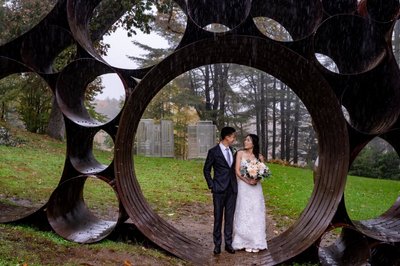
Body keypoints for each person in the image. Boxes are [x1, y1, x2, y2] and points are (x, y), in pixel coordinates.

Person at [203, 126, 237, 255]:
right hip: (218, 190)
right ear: (227, 137)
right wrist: (212, 185)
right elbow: (206, 169)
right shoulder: (213, 151)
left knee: (229, 218)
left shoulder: (233, 151)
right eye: (233, 136)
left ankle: (228, 244)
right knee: (218, 218)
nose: (234, 139)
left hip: (232, 190)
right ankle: (217, 245)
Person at [232, 134, 268, 253]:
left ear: (253, 143)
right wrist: (247, 180)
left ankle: (255, 241)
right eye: (245, 139)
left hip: (255, 188)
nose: (245, 141)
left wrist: (255, 180)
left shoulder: (260, 157)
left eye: (248, 140)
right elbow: (237, 170)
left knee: (256, 211)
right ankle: (242, 240)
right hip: (243, 186)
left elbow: (263, 172)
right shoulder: (240, 153)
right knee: (243, 210)